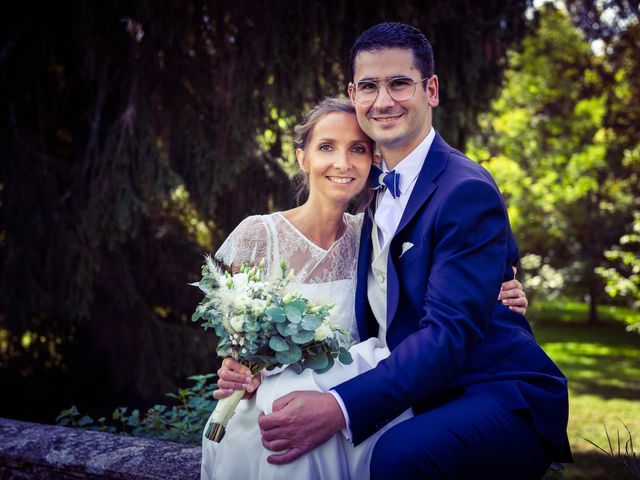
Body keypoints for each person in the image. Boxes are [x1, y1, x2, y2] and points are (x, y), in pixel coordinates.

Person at [252, 22, 571, 479]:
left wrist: (339, 408)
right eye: (369, 86)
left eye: (400, 83)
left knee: (399, 455)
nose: (383, 101)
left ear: (431, 89)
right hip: (418, 383)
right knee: (273, 410)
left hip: (493, 391)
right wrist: (249, 362)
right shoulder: (371, 189)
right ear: (354, 94)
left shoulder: (465, 190)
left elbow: (449, 334)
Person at [201, 97, 528, 479]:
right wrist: (239, 368)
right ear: (301, 157)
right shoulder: (259, 235)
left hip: (359, 389)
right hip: (275, 394)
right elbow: (234, 337)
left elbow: (445, 286)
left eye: (357, 149)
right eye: (326, 147)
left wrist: (496, 292)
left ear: (373, 160)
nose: (342, 163)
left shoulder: (373, 234)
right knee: (272, 420)